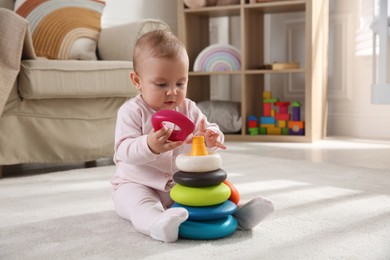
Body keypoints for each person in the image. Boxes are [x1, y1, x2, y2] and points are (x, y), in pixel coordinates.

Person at [111, 29, 274, 243]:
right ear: (137, 80)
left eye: (180, 83)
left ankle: (237, 214)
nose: (172, 92)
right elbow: (123, 151)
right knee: (140, 204)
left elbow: (207, 129)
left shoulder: (188, 108)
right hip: (136, 184)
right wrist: (148, 145)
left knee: (215, 194)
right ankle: (156, 225)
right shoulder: (132, 112)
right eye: (161, 84)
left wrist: (212, 138)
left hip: (182, 185)